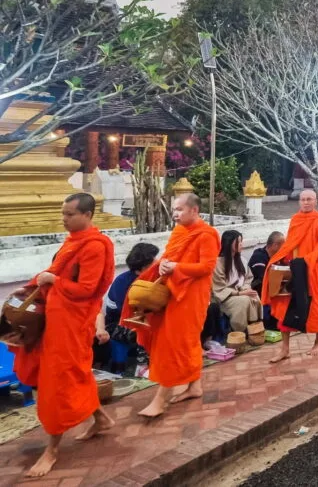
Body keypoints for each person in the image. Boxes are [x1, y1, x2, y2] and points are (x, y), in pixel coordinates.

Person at [10, 194, 116, 477]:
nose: (64, 219)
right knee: (75, 375)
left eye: (70, 214)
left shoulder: (94, 246)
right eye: (63, 213)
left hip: (72, 324)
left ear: (88, 215)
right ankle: (102, 419)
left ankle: (52, 449)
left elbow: (88, 289)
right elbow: (56, 271)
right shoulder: (72, 241)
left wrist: (54, 281)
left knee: (58, 382)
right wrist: (32, 286)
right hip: (54, 320)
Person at [121, 193, 219, 418]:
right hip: (172, 292)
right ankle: (194, 386)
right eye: (174, 209)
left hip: (191, 296)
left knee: (174, 344)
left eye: (180, 209)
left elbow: (206, 267)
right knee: (187, 342)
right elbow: (170, 256)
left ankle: (160, 399)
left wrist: (176, 267)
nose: (175, 213)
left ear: (194, 210)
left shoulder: (207, 235)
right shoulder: (179, 232)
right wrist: (165, 264)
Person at [262, 189, 318, 362]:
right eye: (303, 199)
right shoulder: (295, 219)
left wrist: (307, 260)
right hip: (295, 268)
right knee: (284, 304)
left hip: (312, 269)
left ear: (315, 201)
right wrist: (283, 260)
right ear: (299, 202)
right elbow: (291, 244)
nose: (306, 202)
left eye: (309, 199)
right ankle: (285, 348)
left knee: (314, 305)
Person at [94, 242, 158, 374]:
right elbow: (129, 314)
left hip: (142, 319)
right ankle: (141, 365)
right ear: (142, 268)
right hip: (117, 325)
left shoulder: (154, 278)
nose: (157, 262)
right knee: (145, 329)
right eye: (154, 261)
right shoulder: (123, 283)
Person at [212, 230, 262, 332]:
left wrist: (245, 289)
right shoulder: (218, 263)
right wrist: (240, 293)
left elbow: (248, 278)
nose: (241, 244)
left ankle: (254, 329)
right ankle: (239, 331)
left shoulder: (241, 260)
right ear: (229, 243)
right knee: (243, 300)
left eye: (241, 241)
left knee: (254, 296)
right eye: (238, 242)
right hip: (225, 297)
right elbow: (219, 288)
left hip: (240, 291)